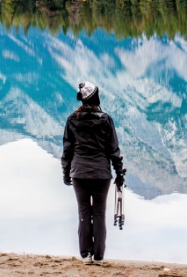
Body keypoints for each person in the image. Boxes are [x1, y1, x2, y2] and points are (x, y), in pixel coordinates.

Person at [61, 81, 126, 266]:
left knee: (83, 212)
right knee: (99, 213)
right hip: (101, 173)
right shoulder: (105, 119)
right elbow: (114, 149)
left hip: (79, 172)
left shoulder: (72, 119)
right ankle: (98, 257)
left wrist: (66, 173)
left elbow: (67, 150)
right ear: (96, 97)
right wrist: (119, 173)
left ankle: (85, 255)